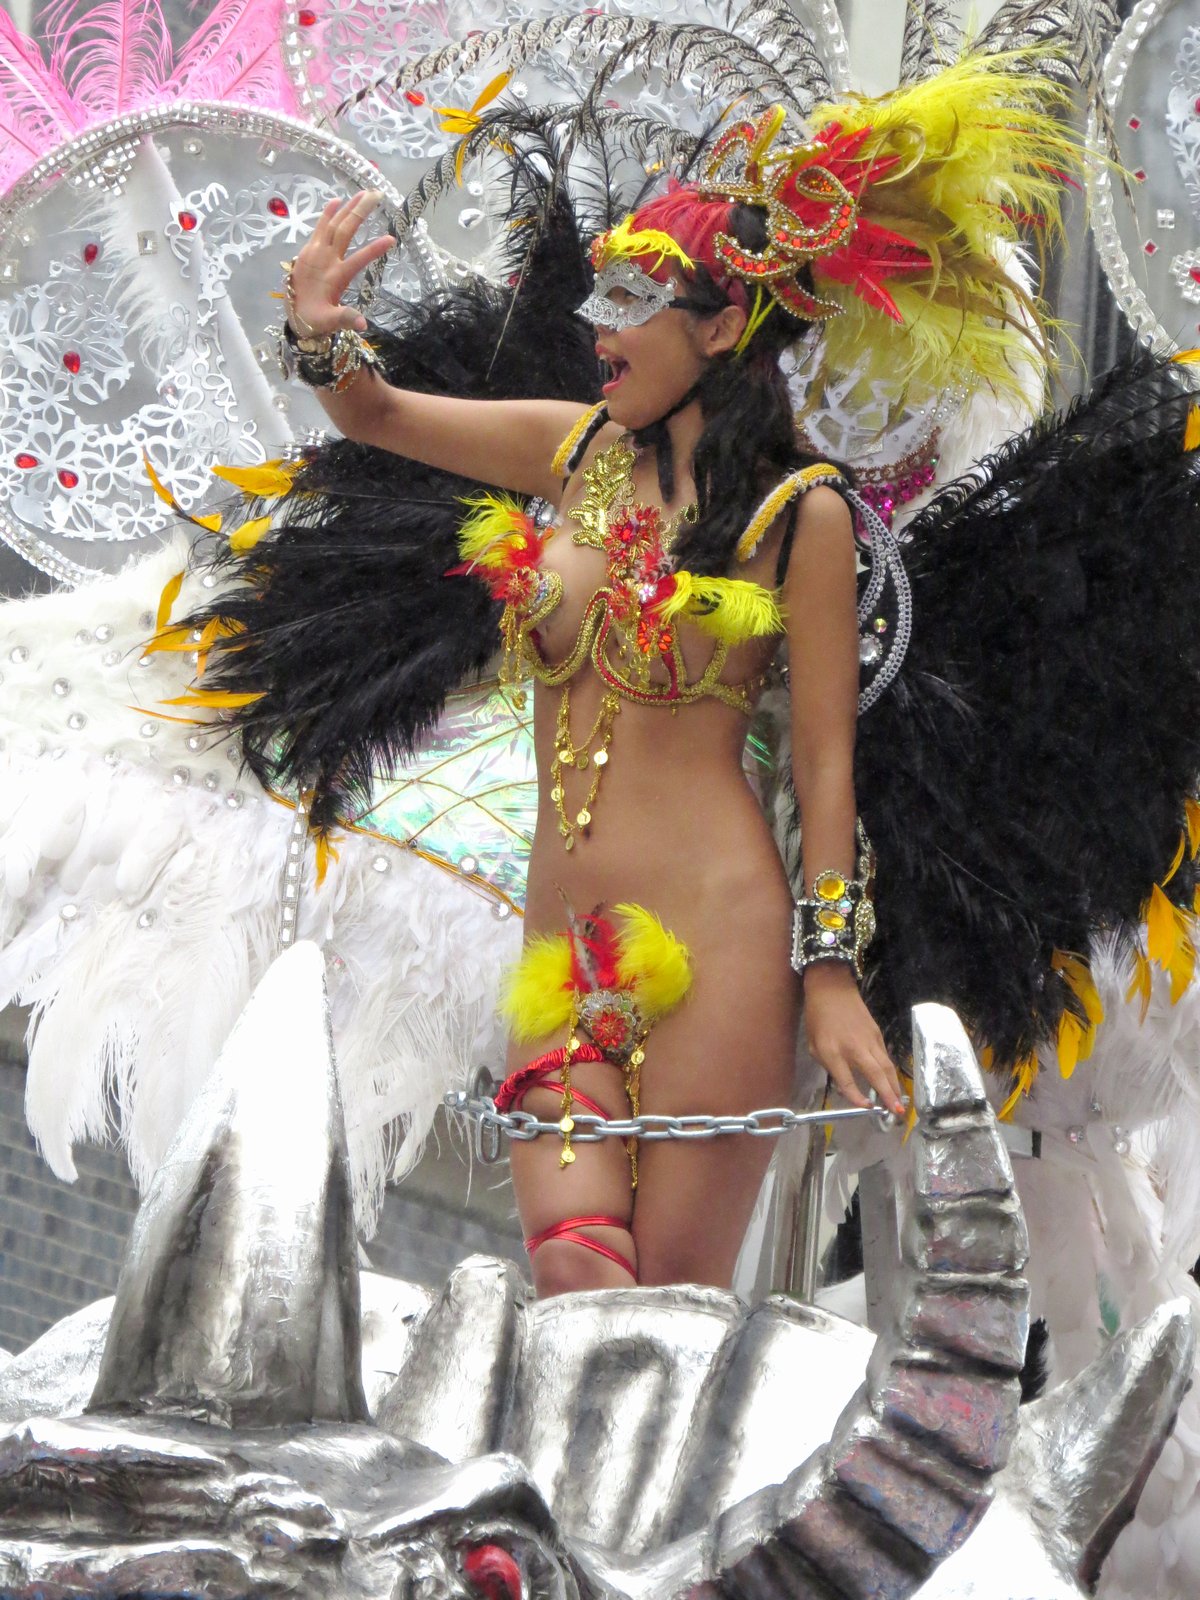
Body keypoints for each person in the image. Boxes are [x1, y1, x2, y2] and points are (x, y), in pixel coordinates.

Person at [180, 63, 1200, 1300]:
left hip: (722, 949)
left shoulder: (800, 515)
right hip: (565, 947)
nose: (599, 329)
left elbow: (824, 764)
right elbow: (379, 414)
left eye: (632, 299)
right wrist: (318, 328)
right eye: (600, 294)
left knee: (656, 1324)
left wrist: (831, 978)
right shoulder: (576, 453)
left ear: (721, 328)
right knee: (574, 1273)